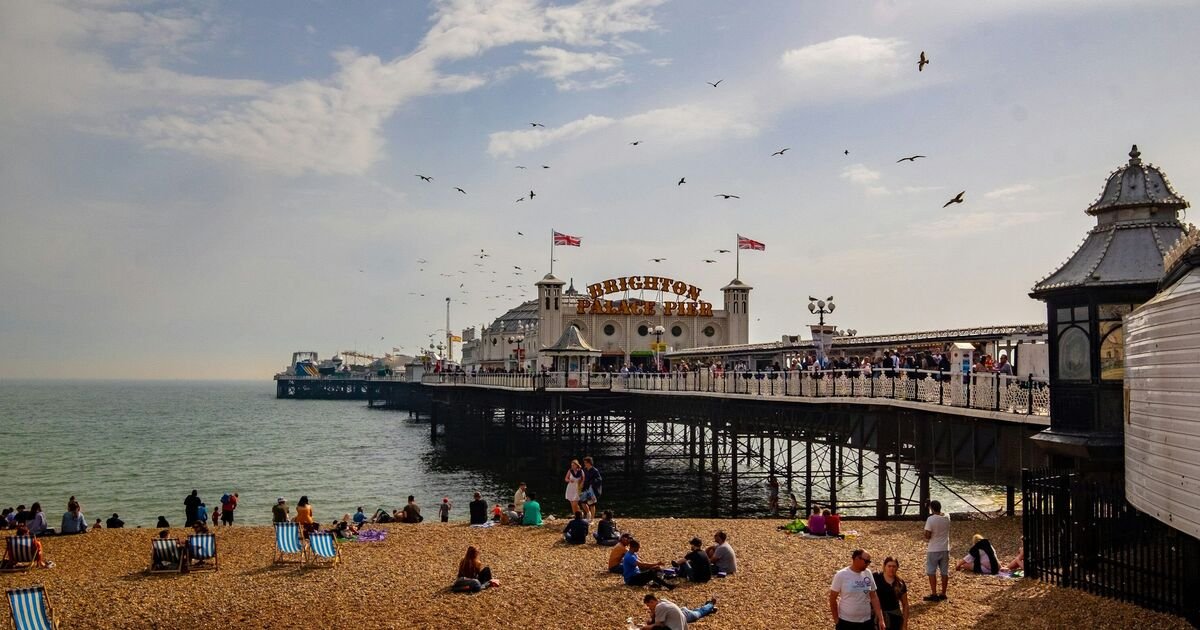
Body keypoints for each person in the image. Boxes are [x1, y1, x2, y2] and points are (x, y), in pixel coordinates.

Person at [829, 549, 886, 630]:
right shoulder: (841, 575)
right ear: (856, 558)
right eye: (866, 561)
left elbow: (873, 596)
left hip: (866, 621)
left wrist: (881, 619)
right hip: (846, 622)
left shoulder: (868, 573)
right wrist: (836, 620)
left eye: (869, 562)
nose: (867, 564)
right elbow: (832, 598)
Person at [638, 593, 717, 630]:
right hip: (682, 612)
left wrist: (643, 628)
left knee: (699, 612)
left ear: (652, 601)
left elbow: (657, 625)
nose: (648, 608)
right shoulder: (662, 601)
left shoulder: (659, 606)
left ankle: (710, 604)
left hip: (685, 615)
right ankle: (709, 606)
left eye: (648, 605)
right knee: (698, 610)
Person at [923, 499, 951, 601]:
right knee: (944, 572)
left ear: (931, 508)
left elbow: (927, 535)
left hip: (933, 548)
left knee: (931, 571)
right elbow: (942, 514)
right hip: (945, 548)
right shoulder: (947, 517)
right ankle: (943, 593)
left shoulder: (930, 519)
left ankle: (934, 593)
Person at [874, 557, 910, 630]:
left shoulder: (900, 583)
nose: (891, 568)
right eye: (889, 566)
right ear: (884, 566)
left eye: (894, 566)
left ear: (897, 568)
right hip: (877, 616)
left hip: (894, 617)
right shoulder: (876, 577)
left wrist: (904, 624)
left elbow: (905, 604)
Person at [581, 456, 603, 520]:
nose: (584, 464)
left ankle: (592, 519)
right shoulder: (584, 470)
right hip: (585, 488)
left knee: (592, 504)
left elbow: (599, 479)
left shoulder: (595, 470)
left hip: (592, 489)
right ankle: (588, 514)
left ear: (589, 463)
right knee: (582, 502)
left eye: (585, 462)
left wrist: (591, 482)